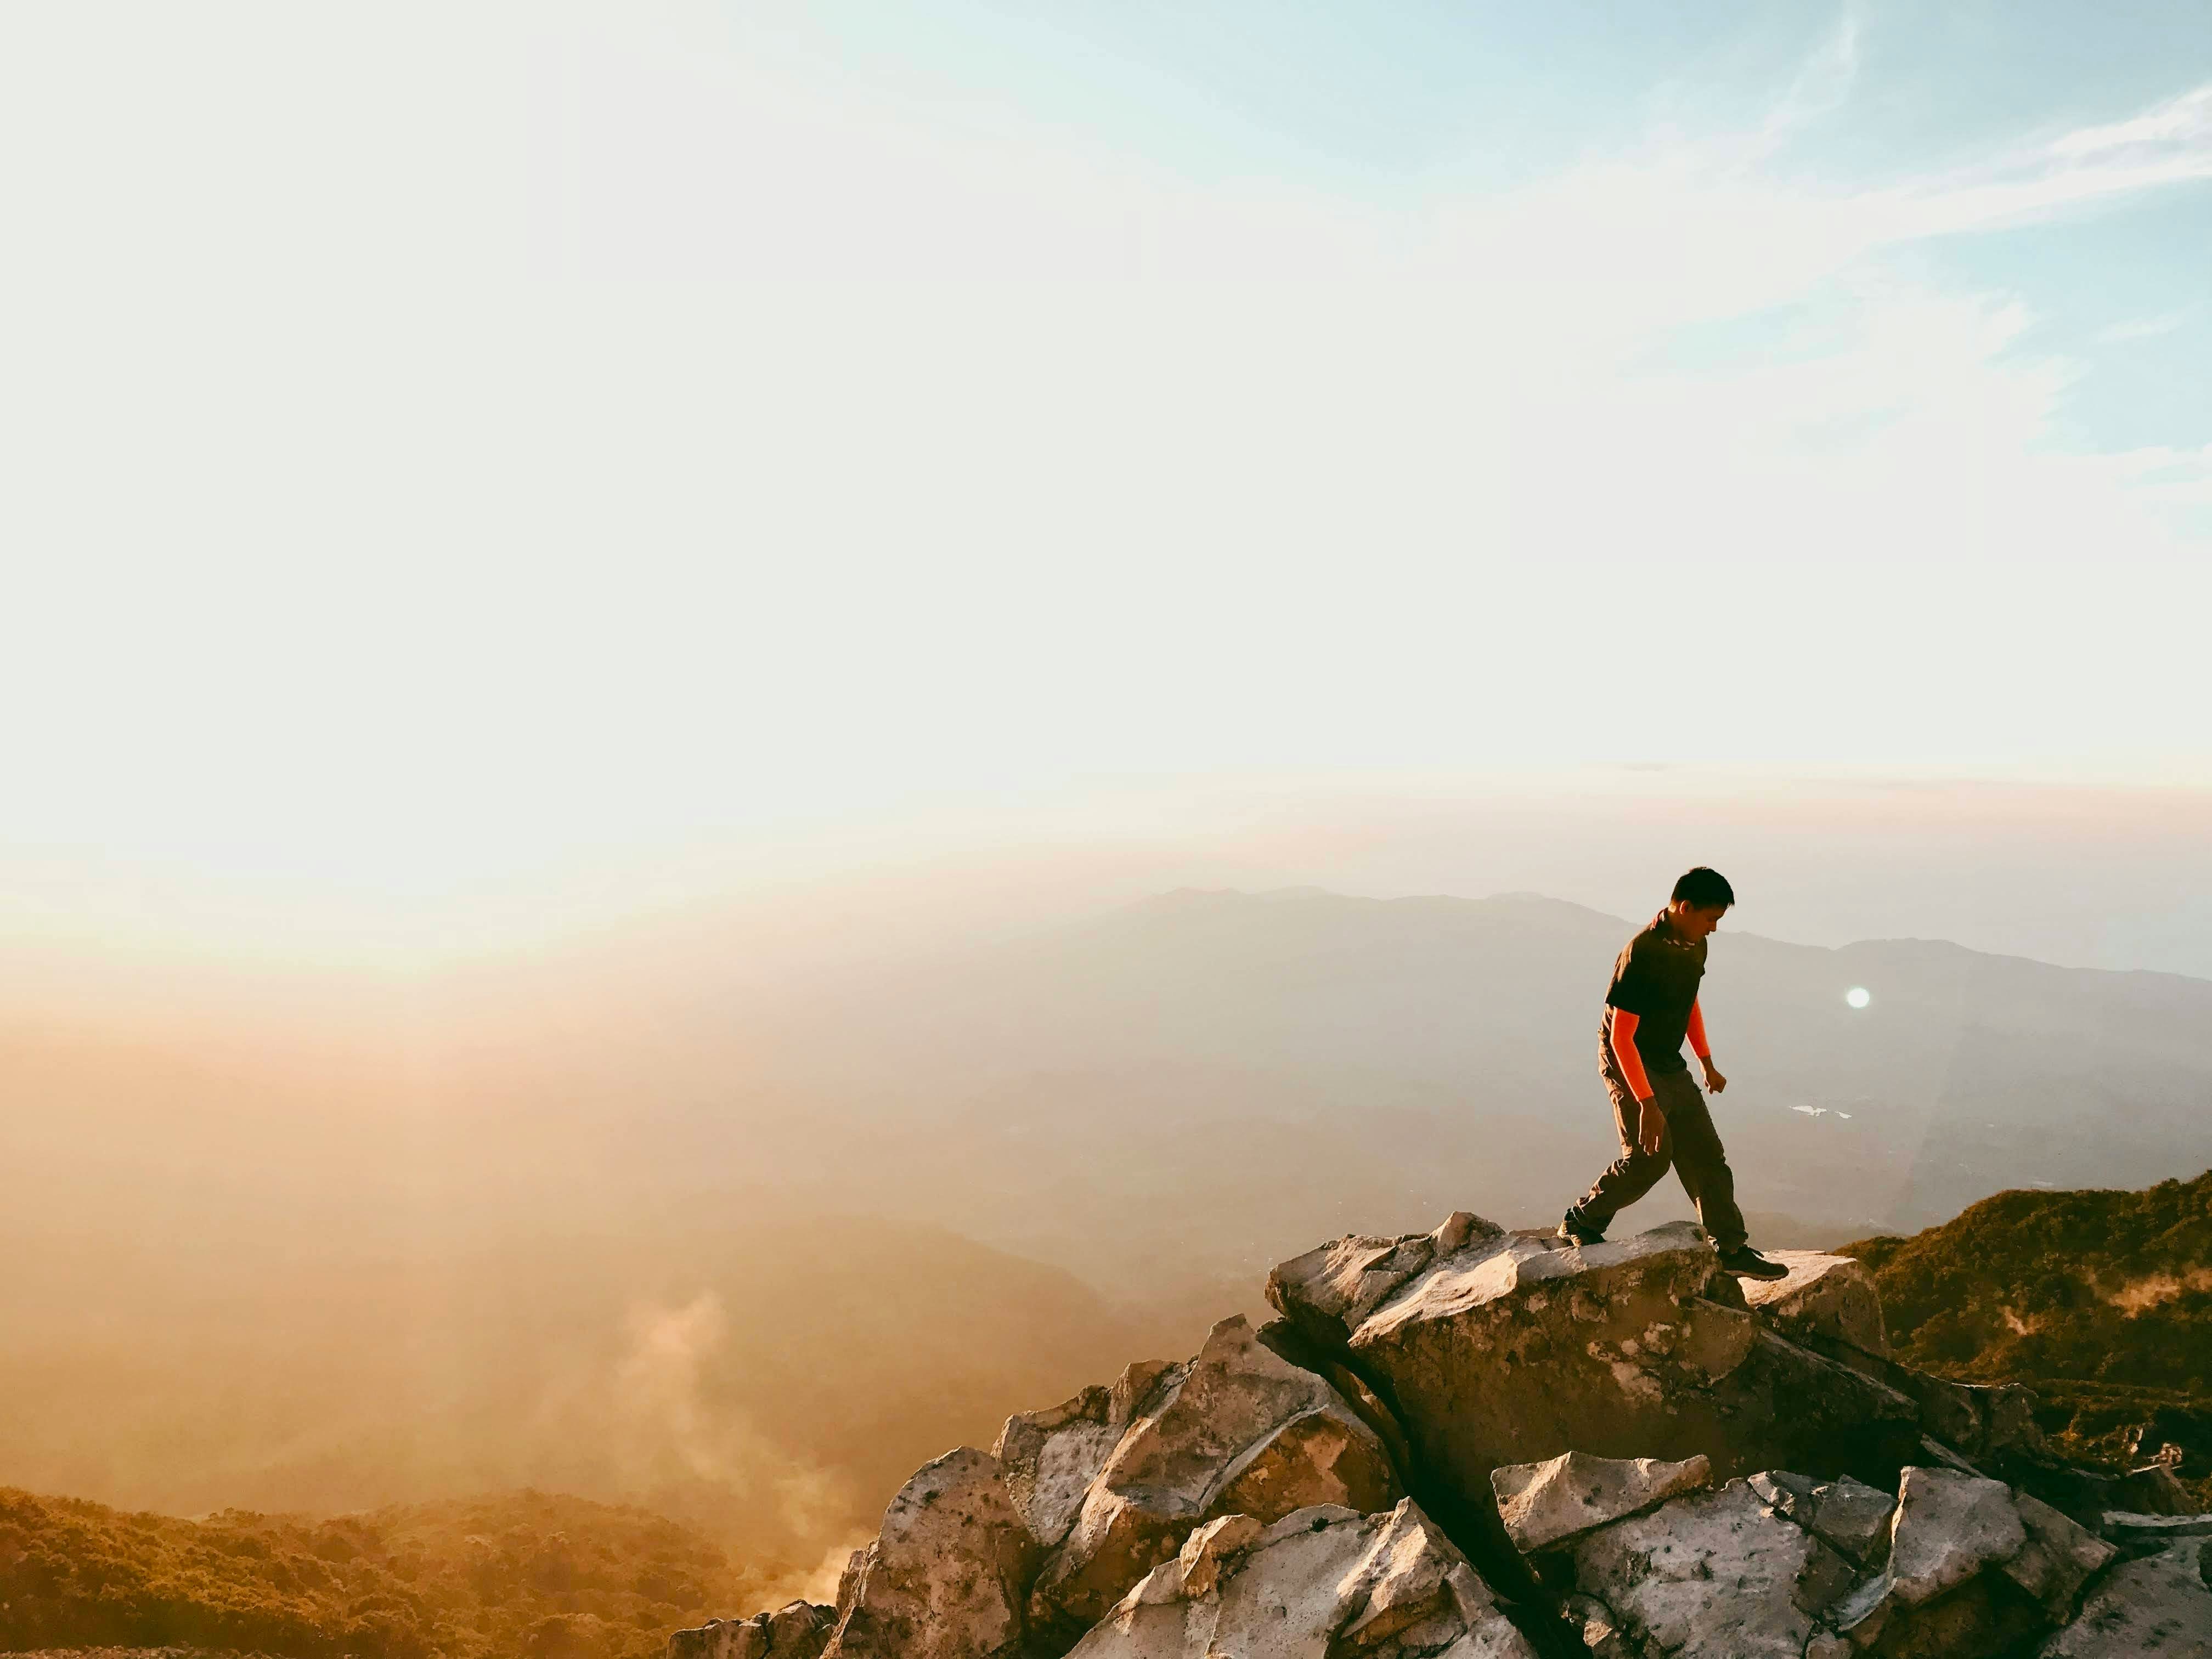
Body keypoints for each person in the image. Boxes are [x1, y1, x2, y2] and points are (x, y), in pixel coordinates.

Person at [1558, 867, 1788, 1280]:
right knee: (1649, 1159)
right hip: (1628, 1059)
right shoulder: (1642, 954)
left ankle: (1730, 1247)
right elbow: (1622, 1038)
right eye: (1710, 918)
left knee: (1705, 1154)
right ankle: (1581, 1220)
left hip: (1667, 1060)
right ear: (1685, 907)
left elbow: (1689, 1004)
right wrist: (1646, 1102)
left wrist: (1706, 1061)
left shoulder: (1693, 946)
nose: (1714, 928)